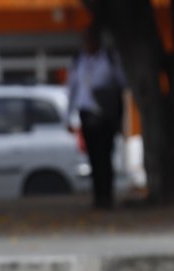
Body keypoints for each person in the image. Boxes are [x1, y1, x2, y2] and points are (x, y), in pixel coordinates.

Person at [66, 24, 127, 209]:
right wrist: (68, 116)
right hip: (86, 113)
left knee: (106, 157)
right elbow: (71, 90)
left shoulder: (109, 59)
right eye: (85, 41)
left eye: (90, 40)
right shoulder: (78, 61)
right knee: (93, 157)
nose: (87, 44)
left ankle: (108, 196)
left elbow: (121, 83)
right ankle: (98, 196)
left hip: (105, 114)